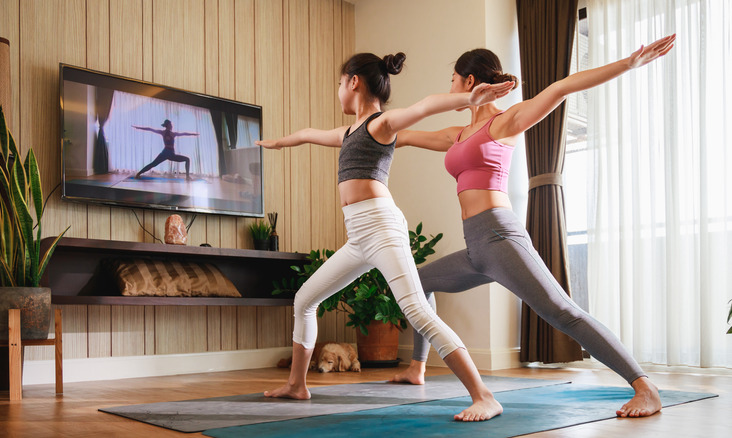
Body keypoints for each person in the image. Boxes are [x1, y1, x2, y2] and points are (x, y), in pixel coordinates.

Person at [389, 34, 676, 419]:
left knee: (562, 311)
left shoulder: (505, 122)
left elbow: (560, 88)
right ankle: (417, 368)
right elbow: (398, 135)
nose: (451, 88)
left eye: (453, 80)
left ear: (469, 82)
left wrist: (628, 63)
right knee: (419, 282)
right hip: (476, 247)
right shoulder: (457, 135)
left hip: (499, 236)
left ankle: (645, 387)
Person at [256, 52, 515, 422]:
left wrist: (471, 99)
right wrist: (279, 143)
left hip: (382, 228)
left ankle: (484, 396)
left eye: (339, 84)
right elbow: (310, 135)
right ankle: (297, 385)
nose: (338, 92)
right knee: (305, 299)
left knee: (417, 311)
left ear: (353, 82)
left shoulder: (382, 123)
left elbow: (425, 106)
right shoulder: (348, 132)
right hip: (358, 235)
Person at [132, 119, 198, 180]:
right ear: (168, 125)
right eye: (171, 124)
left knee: (153, 164)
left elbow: (184, 133)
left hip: (169, 154)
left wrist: (193, 134)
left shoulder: (171, 133)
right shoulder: (165, 133)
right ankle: (187, 177)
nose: (172, 126)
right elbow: (150, 129)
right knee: (153, 164)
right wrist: (138, 127)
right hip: (167, 153)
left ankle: (138, 174)